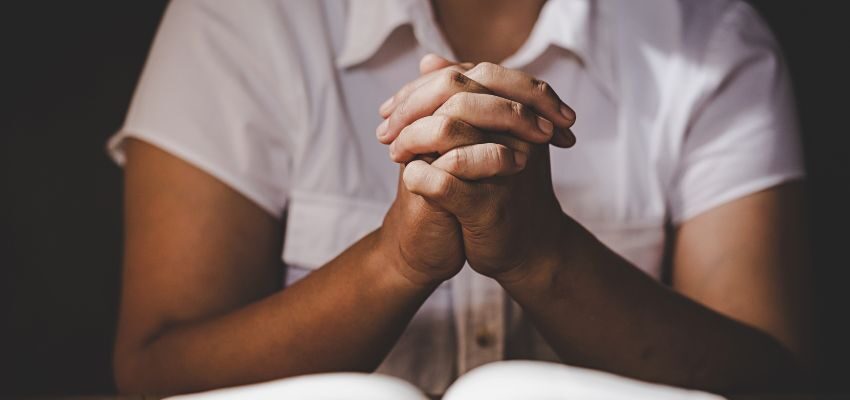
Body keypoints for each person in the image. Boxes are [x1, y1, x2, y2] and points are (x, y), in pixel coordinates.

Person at [109, 0, 811, 395]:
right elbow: (154, 371)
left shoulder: (708, 40)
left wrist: (544, 254)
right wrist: (395, 261)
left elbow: (771, 379)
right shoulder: (242, 21)